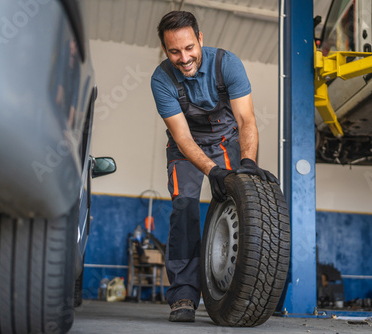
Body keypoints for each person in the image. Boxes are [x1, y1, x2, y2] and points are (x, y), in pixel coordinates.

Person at [151, 10, 278, 322]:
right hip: (187, 148)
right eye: (174, 51)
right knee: (184, 208)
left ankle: (243, 289)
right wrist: (212, 170)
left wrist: (247, 162)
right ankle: (183, 294)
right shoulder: (161, 80)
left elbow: (246, 119)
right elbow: (182, 136)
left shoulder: (226, 64)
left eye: (189, 47)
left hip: (227, 140)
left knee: (248, 202)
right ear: (166, 51)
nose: (184, 57)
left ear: (200, 40)